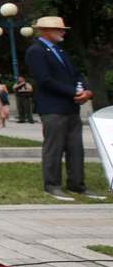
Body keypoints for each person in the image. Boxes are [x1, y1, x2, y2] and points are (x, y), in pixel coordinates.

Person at [24, 16, 104, 201]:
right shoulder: (36, 51)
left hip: (70, 107)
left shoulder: (60, 51)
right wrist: (73, 92)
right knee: (54, 147)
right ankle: (52, 185)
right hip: (53, 107)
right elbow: (44, 80)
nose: (63, 32)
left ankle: (77, 185)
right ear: (45, 30)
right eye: (58, 29)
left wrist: (85, 90)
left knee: (76, 147)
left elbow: (76, 74)